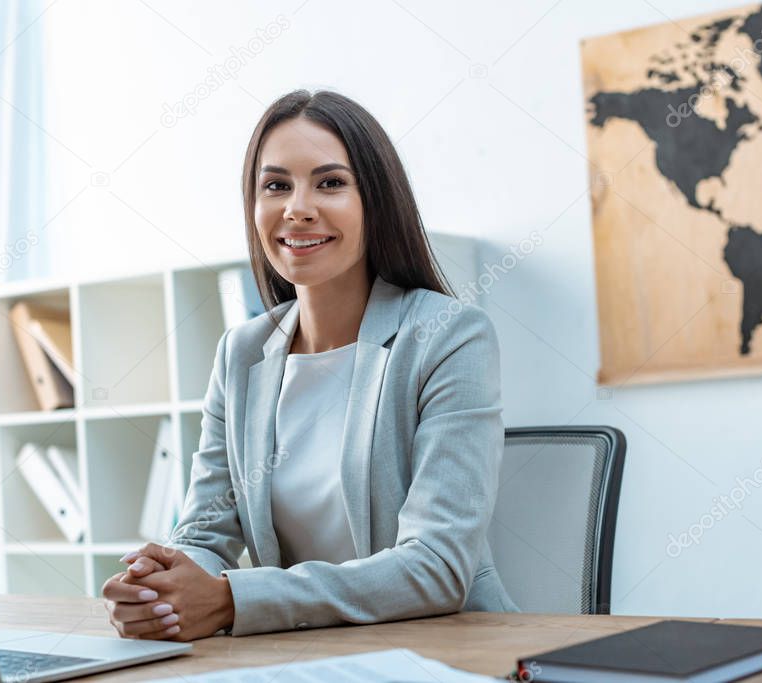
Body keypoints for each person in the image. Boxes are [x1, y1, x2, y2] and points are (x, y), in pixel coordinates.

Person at [101, 89, 518, 640]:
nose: (297, 207)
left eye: (330, 182)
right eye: (276, 185)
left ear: (376, 199)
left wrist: (232, 600)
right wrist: (161, 588)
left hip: (450, 651)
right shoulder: (242, 353)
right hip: (302, 653)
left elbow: (436, 566)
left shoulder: (448, 336)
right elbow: (203, 534)